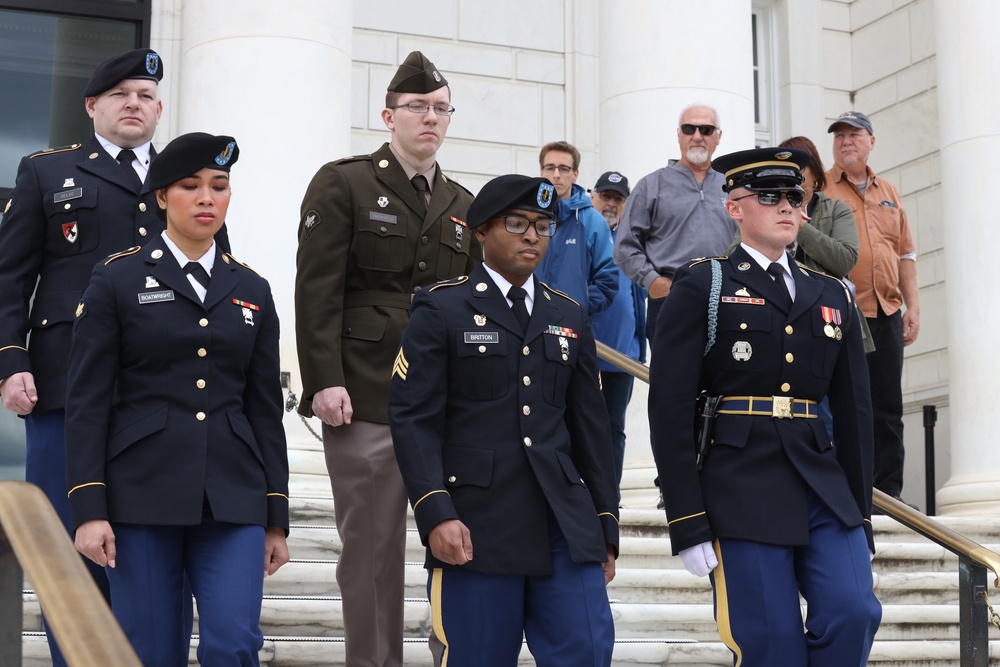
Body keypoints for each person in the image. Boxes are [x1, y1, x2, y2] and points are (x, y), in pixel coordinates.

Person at [0, 47, 226, 666]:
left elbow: (218, 282)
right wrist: (11, 359)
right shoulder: (47, 172)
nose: (135, 104)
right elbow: (9, 279)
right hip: (66, 388)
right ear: (92, 106)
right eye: (121, 94)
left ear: (159, 110)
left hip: (164, 400)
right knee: (67, 544)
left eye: (147, 95)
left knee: (158, 549)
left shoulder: (187, 180)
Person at [648, 147, 881, 666]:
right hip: (738, 483)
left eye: (795, 197)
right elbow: (669, 406)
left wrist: (860, 514)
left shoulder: (833, 293)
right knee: (771, 643)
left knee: (854, 611)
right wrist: (687, 517)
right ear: (735, 207)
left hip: (820, 481)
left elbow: (854, 414)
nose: (787, 207)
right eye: (770, 197)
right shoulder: (704, 283)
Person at [65, 132, 289, 666]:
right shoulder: (116, 278)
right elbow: (89, 399)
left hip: (233, 496)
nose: (208, 198)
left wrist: (275, 512)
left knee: (234, 643)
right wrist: (88, 507)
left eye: (220, 186)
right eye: (191, 186)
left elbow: (264, 408)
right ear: (162, 197)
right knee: (148, 649)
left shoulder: (252, 288)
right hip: (141, 494)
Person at [388, 174, 619, 667]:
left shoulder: (569, 314)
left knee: (588, 650)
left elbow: (591, 430)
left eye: (543, 225)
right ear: (480, 231)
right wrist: (435, 510)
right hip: (478, 524)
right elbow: (413, 418)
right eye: (517, 223)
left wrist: (605, 522)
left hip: (564, 522)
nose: (532, 236)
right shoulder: (442, 307)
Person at [294, 51, 478, 667]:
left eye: (440, 109)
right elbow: (317, 288)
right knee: (371, 551)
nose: (430, 118)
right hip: (366, 393)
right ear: (388, 115)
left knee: (457, 543)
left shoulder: (463, 202)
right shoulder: (344, 182)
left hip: (443, 401)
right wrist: (323, 380)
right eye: (417, 107)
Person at [824, 111, 919, 501]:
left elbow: (906, 255)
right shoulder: (823, 188)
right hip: (844, 313)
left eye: (855, 134)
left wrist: (913, 306)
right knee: (846, 404)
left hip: (887, 313)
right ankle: (850, 490)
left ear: (871, 141)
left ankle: (890, 494)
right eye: (840, 135)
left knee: (888, 408)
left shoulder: (890, 192)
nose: (847, 141)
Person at [614, 103, 735, 342]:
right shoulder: (651, 185)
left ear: (719, 136)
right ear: (679, 134)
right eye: (689, 129)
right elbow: (625, 247)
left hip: (729, 300)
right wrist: (654, 282)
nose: (697, 136)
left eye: (706, 129)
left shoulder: (734, 188)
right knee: (673, 379)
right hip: (671, 298)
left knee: (729, 378)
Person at [588, 171, 646, 498]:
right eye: (606, 196)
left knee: (614, 428)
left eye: (618, 198)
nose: (611, 203)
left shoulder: (630, 240)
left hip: (622, 354)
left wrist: (641, 348)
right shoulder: (581, 232)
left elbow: (638, 296)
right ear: (593, 195)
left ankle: (610, 497)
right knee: (580, 423)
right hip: (584, 351)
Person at [534, 141, 616, 315]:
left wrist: (578, 308)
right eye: (550, 168)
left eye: (564, 168)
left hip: (572, 328)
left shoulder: (593, 222)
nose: (556, 174)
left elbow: (608, 281)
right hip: (526, 323)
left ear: (575, 174)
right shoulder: (528, 216)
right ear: (541, 172)